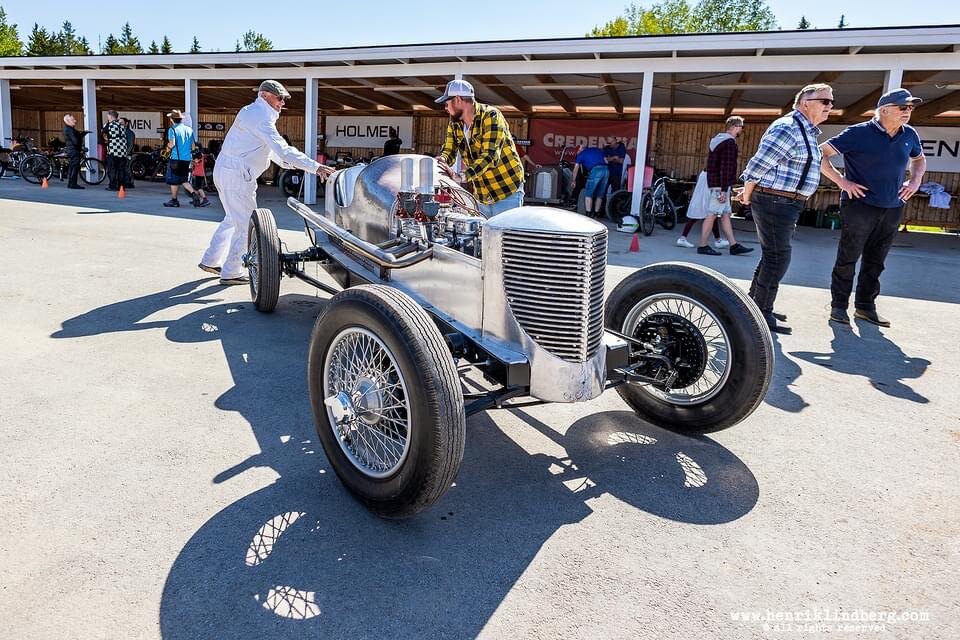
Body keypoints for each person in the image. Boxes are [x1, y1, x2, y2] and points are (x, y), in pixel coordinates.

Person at [199, 80, 334, 285]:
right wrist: (315, 167)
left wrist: (294, 165)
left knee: (232, 218)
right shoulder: (260, 116)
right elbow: (282, 149)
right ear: (264, 96)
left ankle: (211, 259)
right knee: (246, 224)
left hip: (230, 172)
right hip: (237, 175)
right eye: (279, 98)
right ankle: (231, 271)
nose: (282, 103)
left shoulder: (254, 113)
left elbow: (272, 152)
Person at [819, 89, 926, 327]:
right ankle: (839, 307)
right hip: (859, 205)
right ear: (885, 109)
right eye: (903, 107)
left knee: (877, 260)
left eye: (910, 108)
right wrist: (842, 181)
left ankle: (866, 307)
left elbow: (919, 159)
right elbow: (821, 154)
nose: (908, 112)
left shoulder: (910, 134)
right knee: (848, 257)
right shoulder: (858, 133)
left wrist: (915, 180)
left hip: (892, 206)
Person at [737, 83, 835, 335]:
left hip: (786, 202)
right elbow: (757, 165)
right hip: (775, 201)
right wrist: (747, 193)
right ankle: (762, 311)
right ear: (805, 103)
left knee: (772, 255)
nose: (830, 106)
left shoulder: (807, 132)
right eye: (825, 101)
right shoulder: (788, 128)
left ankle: (756, 306)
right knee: (779, 257)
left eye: (831, 102)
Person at [434, 79, 524, 217]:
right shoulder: (454, 124)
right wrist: (441, 162)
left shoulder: (491, 116)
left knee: (503, 237)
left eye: (447, 104)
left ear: (458, 100)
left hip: (506, 191)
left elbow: (490, 156)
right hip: (481, 195)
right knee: (481, 237)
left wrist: (461, 176)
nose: (446, 108)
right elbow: (449, 150)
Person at [683, 116, 753, 256]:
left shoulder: (718, 141)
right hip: (720, 186)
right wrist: (723, 189)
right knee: (712, 215)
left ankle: (733, 245)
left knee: (726, 214)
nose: (741, 130)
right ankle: (703, 245)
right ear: (735, 127)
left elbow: (716, 166)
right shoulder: (729, 143)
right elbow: (726, 167)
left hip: (717, 184)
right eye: (741, 127)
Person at [163, 109, 210, 208]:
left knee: (173, 181)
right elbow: (193, 146)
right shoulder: (189, 130)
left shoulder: (173, 130)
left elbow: (172, 144)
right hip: (187, 159)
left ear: (172, 119)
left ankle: (174, 200)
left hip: (176, 158)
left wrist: (167, 148)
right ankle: (194, 193)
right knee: (184, 180)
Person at [570, 145, 608, 217]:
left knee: (588, 194)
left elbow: (575, 169)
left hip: (595, 171)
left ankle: (588, 215)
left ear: (580, 150)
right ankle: (596, 214)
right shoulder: (598, 149)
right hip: (606, 170)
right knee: (600, 195)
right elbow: (606, 161)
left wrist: (573, 180)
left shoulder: (580, 155)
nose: (577, 153)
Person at [103, 110, 126, 191]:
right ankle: (121, 186)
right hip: (123, 150)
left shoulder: (109, 125)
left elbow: (104, 132)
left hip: (113, 149)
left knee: (112, 169)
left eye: (108, 116)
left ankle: (112, 185)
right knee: (121, 169)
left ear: (110, 116)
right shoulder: (122, 125)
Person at [62, 114, 85, 190]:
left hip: (71, 150)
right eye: (73, 120)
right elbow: (75, 141)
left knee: (73, 167)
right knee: (74, 167)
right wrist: (80, 139)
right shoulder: (69, 129)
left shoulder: (69, 129)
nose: (75, 121)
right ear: (67, 121)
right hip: (73, 150)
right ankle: (73, 184)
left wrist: (81, 135)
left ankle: (71, 183)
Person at [118, 117, 136, 189]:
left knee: (127, 168)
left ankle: (130, 182)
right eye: (119, 123)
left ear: (126, 123)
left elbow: (131, 144)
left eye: (122, 122)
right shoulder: (119, 132)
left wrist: (127, 153)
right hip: (120, 153)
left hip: (127, 154)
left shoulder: (129, 133)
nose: (120, 124)